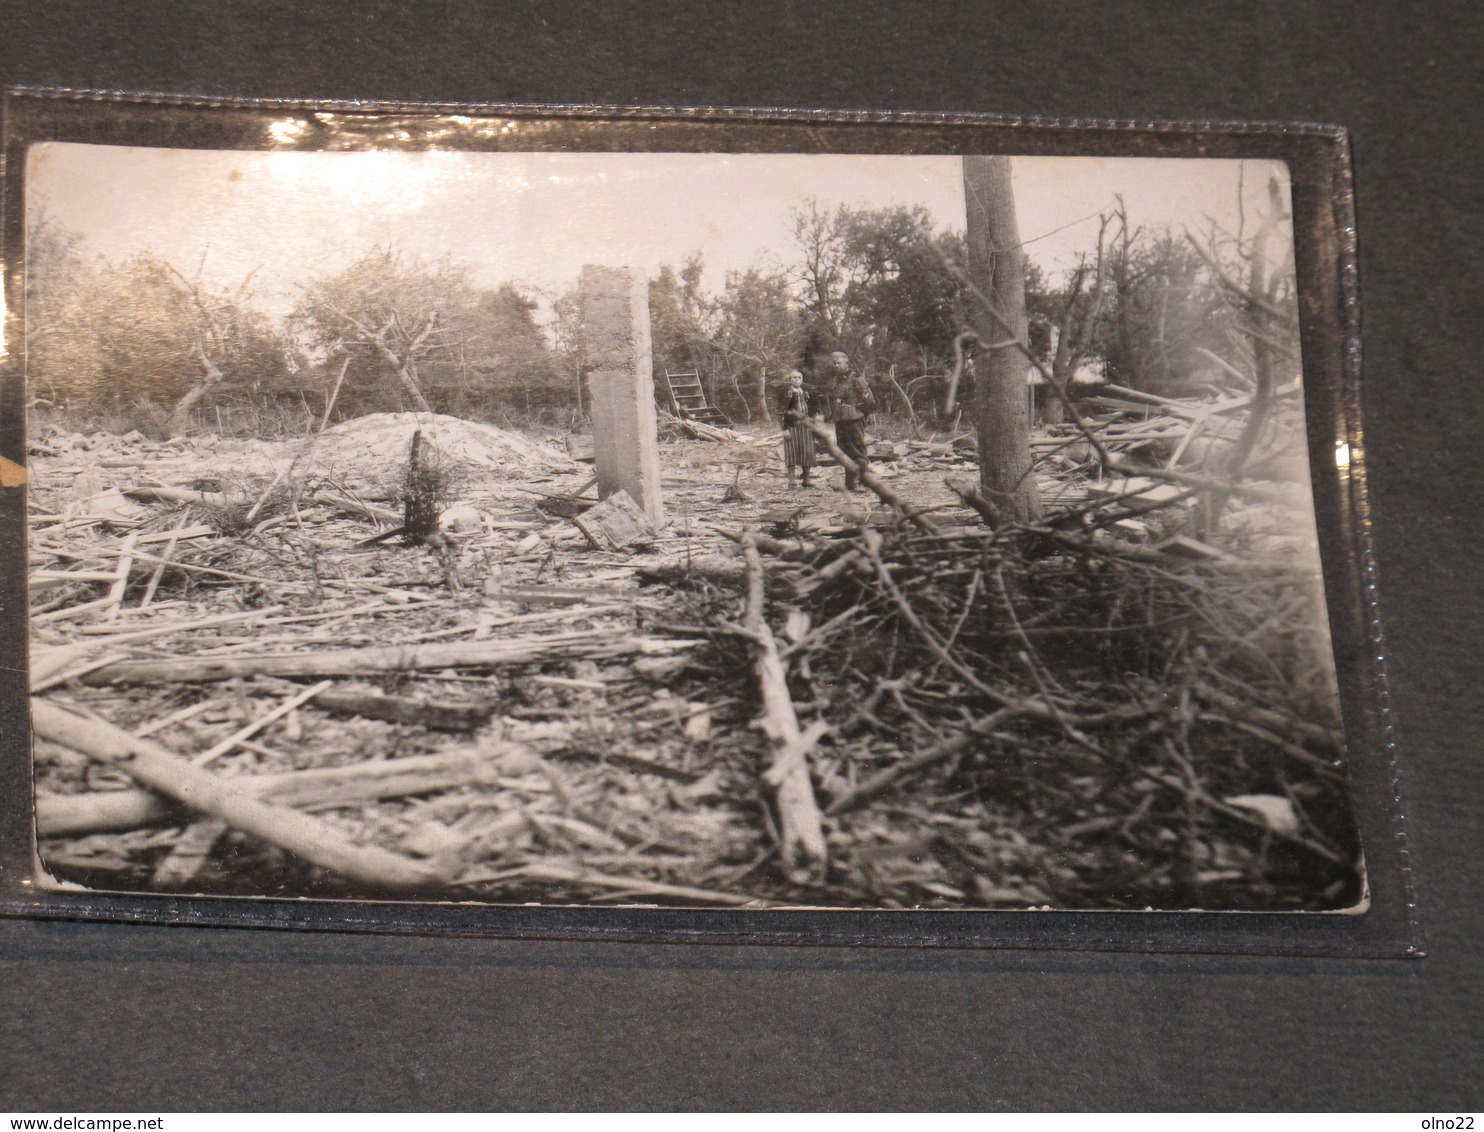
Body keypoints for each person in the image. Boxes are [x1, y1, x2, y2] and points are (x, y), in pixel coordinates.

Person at [819, 350, 876, 491]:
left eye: (839, 363)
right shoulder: (837, 380)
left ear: (847, 363)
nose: (836, 365)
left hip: (854, 420)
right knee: (845, 451)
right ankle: (850, 483)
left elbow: (870, 401)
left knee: (858, 451)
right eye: (835, 363)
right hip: (841, 420)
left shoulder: (856, 379)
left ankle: (863, 483)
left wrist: (860, 415)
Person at [778, 369, 817, 488]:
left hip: (805, 426)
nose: (797, 380)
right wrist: (784, 429)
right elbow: (781, 412)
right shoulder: (786, 394)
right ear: (790, 380)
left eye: (799, 377)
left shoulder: (806, 394)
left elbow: (812, 411)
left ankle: (806, 479)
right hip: (792, 426)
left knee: (807, 452)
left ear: (802, 380)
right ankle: (792, 481)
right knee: (791, 452)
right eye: (794, 377)